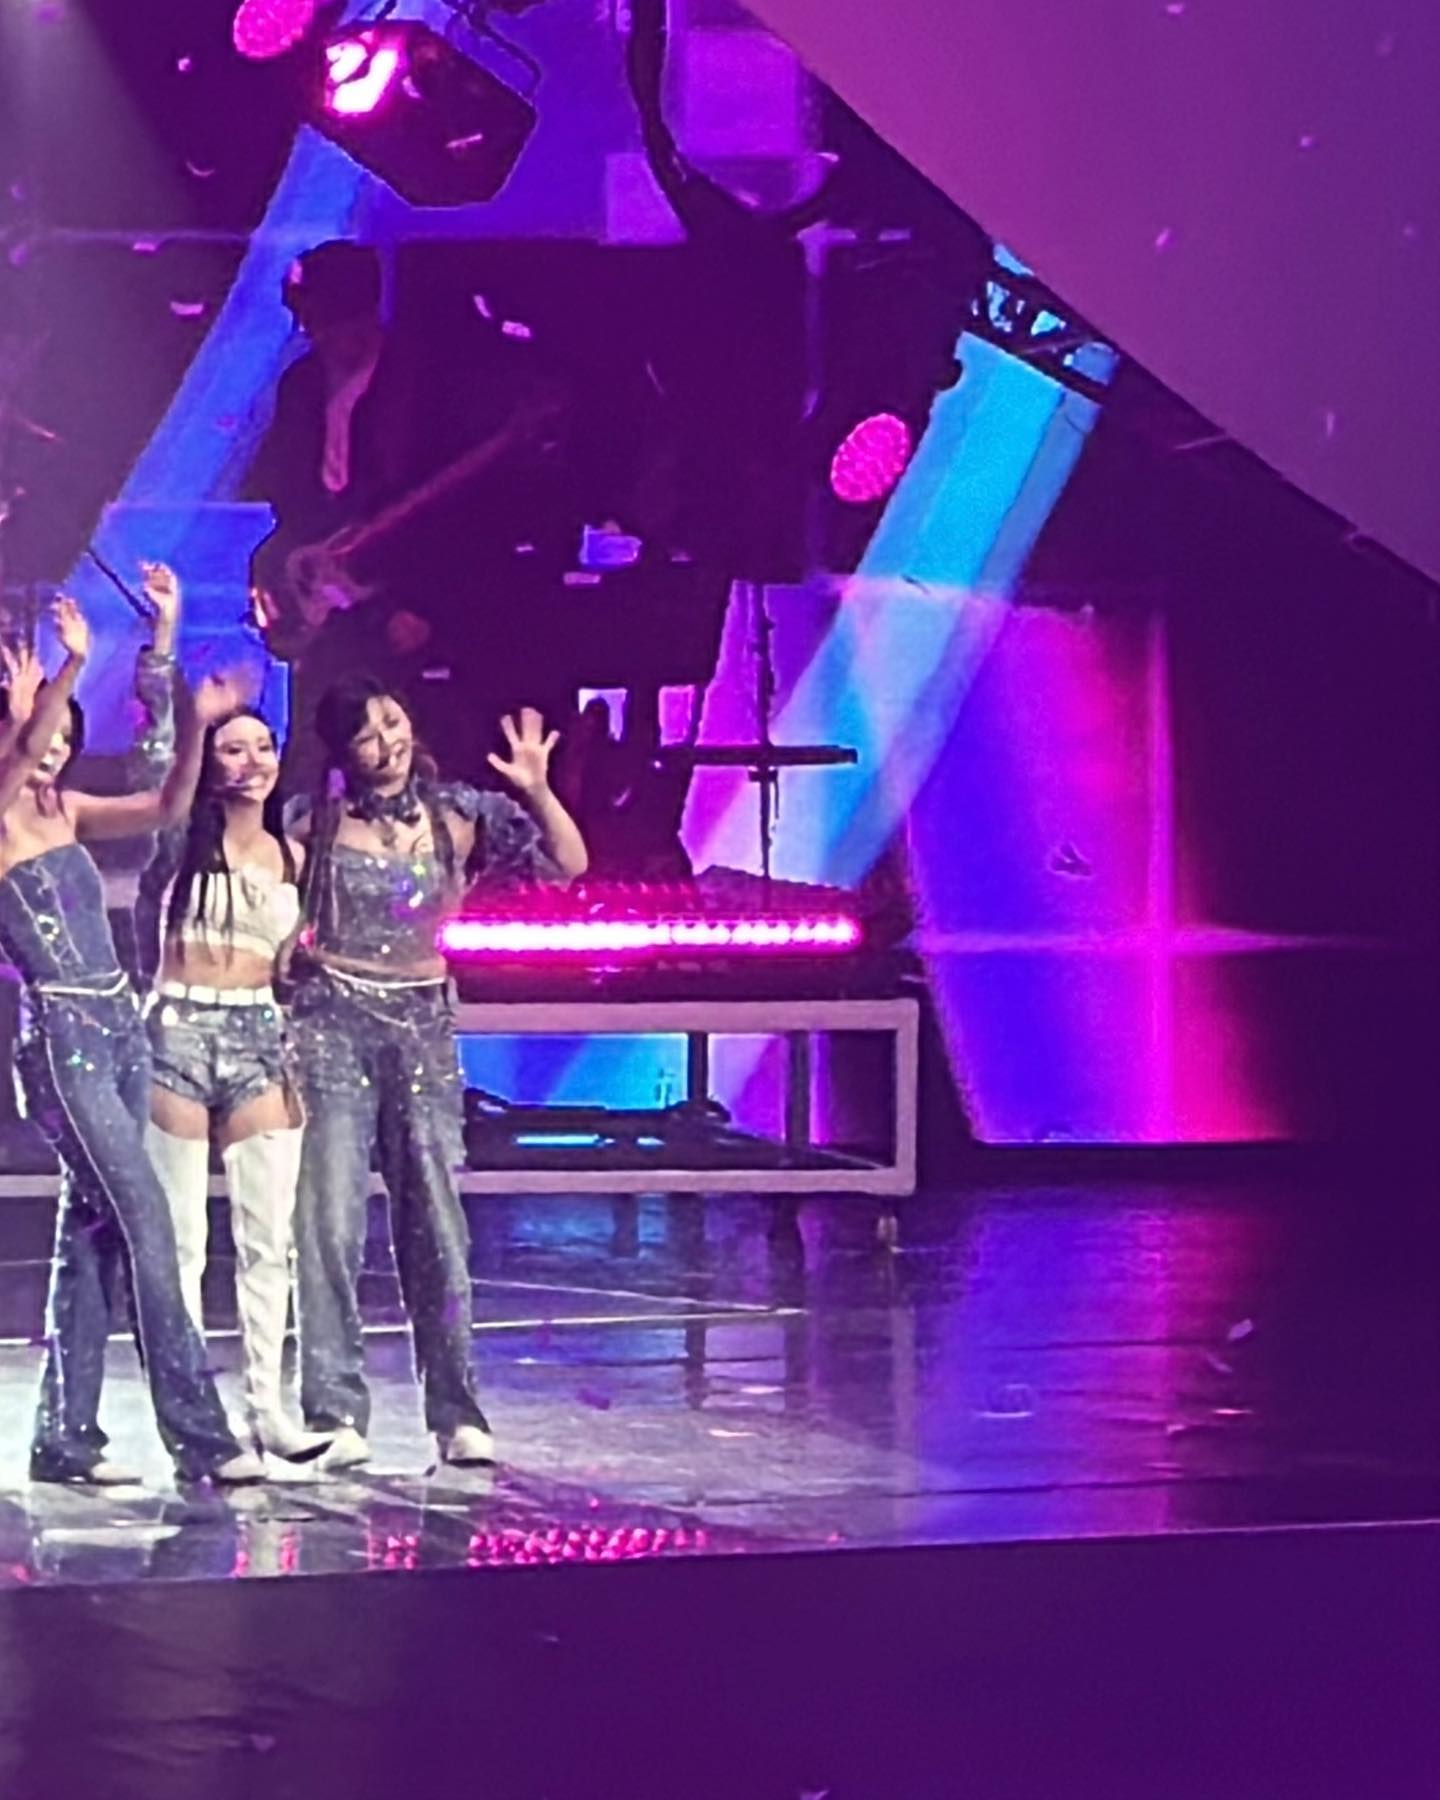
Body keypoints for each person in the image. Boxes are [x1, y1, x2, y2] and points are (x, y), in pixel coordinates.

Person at [0, 569, 265, 1487]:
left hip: (120, 1025)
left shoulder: (65, 811)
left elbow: (167, 808)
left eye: (65, 742)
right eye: (41, 739)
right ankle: (202, 1437)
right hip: (62, 1037)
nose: (53, 753)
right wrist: (69, 668)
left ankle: (64, 1437)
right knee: (145, 1216)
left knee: (92, 1229)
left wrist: (194, 722)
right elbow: (19, 750)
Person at [286, 677, 586, 1468]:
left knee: (437, 1225)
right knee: (327, 1225)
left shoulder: (459, 813)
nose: (385, 741)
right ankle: (334, 1412)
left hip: (422, 1028)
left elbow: (568, 862)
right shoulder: (313, 822)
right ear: (342, 751)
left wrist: (538, 788)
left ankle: (456, 1411)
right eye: (365, 733)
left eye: (391, 722)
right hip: (329, 1027)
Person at [140, 705, 330, 1465]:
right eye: (233, 749)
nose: (251, 762)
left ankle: (267, 1409)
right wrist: (185, 703)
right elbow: (161, 766)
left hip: (258, 1035)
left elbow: (292, 962)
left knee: (267, 1239)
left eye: (262, 747)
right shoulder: (181, 838)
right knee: (183, 1243)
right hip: (178, 1031)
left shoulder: (295, 856)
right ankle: (196, 1423)